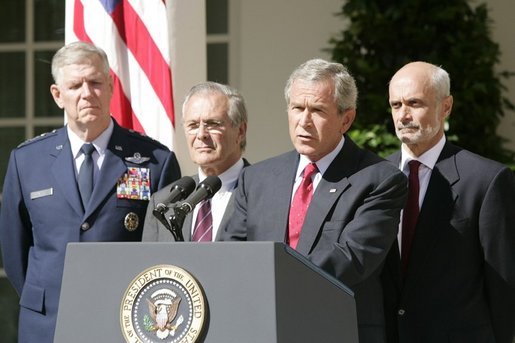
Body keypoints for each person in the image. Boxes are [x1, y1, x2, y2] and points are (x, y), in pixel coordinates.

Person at [0, 41, 181, 343]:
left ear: (111, 87)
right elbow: (13, 249)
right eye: (75, 85)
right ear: (58, 95)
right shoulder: (26, 161)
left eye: (96, 82)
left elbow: (166, 250)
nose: (87, 93)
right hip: (48, 322)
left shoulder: (155, 161)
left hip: (124, 321)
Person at [220, 58, 408, 342]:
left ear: (346, 119)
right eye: (297, 108)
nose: (304, 121)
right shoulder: (257, 178)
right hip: (263, 330)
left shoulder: (379, 179)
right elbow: (230, 253)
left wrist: (273, 284)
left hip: (336, 330)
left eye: (317, 110)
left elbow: (352, 257)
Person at [381, 61, 515, 343]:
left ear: (446, 106)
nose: (403, 115)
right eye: (396, 105)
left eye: (414, 103)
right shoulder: (375, 178)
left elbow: (503, 285)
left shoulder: (487, 180)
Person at [142, 81, 248, 242]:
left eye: (212, 124)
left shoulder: (262, 193)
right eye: (193, 125)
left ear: (240, 131)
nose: (201, 134)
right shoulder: (163, 202)